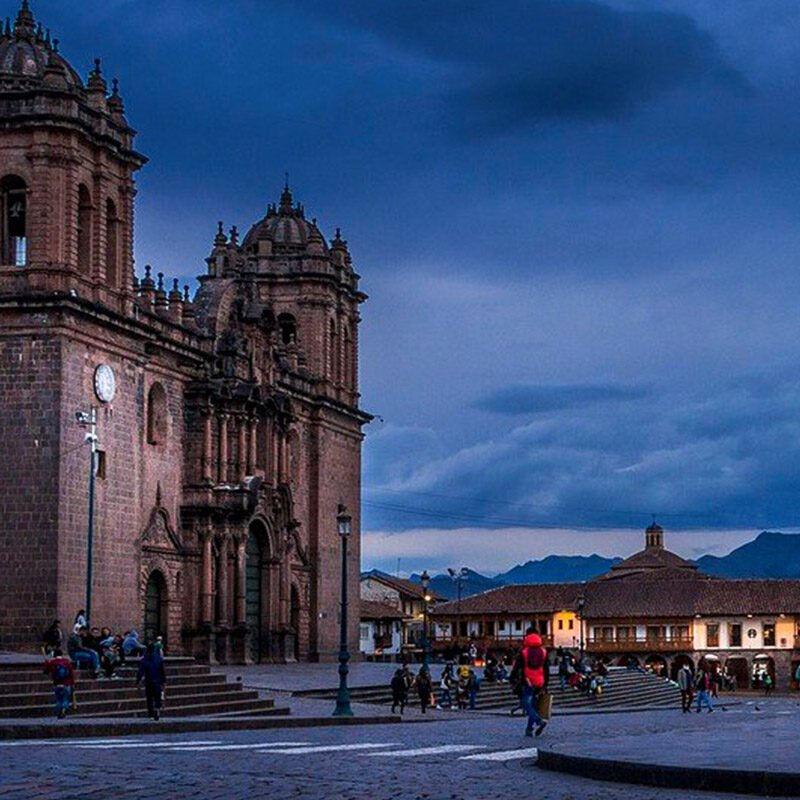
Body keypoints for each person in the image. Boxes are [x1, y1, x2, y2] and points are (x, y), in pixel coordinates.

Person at [510, 631, 549, 737]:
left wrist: (512, 678)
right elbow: (546, 669)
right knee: (533, 705)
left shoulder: (524, 653)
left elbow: (517, 668)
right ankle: (529, 729)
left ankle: (538, 720)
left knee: (525, 703)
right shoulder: (544, 652)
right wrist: (546, 684)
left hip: (528, 681)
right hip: (540, 681)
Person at [136, 642, 166, 720]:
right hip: (157, 680)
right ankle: (157, 708)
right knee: (157, 696)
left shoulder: (144, 660)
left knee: (149, 697)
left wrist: (138, 681)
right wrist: (163, 682)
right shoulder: (159, 659)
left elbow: (140, 671)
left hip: (149, 681)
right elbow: (162, 671)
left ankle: (151, 714)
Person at [43, 648, 74, 719]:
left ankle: (58, 713)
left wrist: (47, 663)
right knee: (66, 699)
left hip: (57, 684)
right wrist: (72, 684)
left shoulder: (52, 662)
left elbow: (46, 672)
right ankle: (63, 710)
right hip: (67, 684)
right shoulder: (67, 662)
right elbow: (71, 674)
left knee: (59, 700)